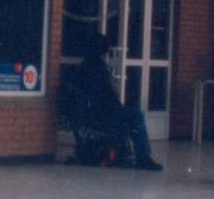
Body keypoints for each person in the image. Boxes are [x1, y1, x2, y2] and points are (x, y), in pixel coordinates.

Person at [70, 32, 163, 171]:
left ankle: (124, 151)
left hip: (92, 112)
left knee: (125, 115)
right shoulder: (98, 67)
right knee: (136, 115)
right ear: (102, 51)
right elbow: (107, 94)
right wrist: (119, 105)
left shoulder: (85, 66)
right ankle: (143, 156)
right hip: (101, 112)